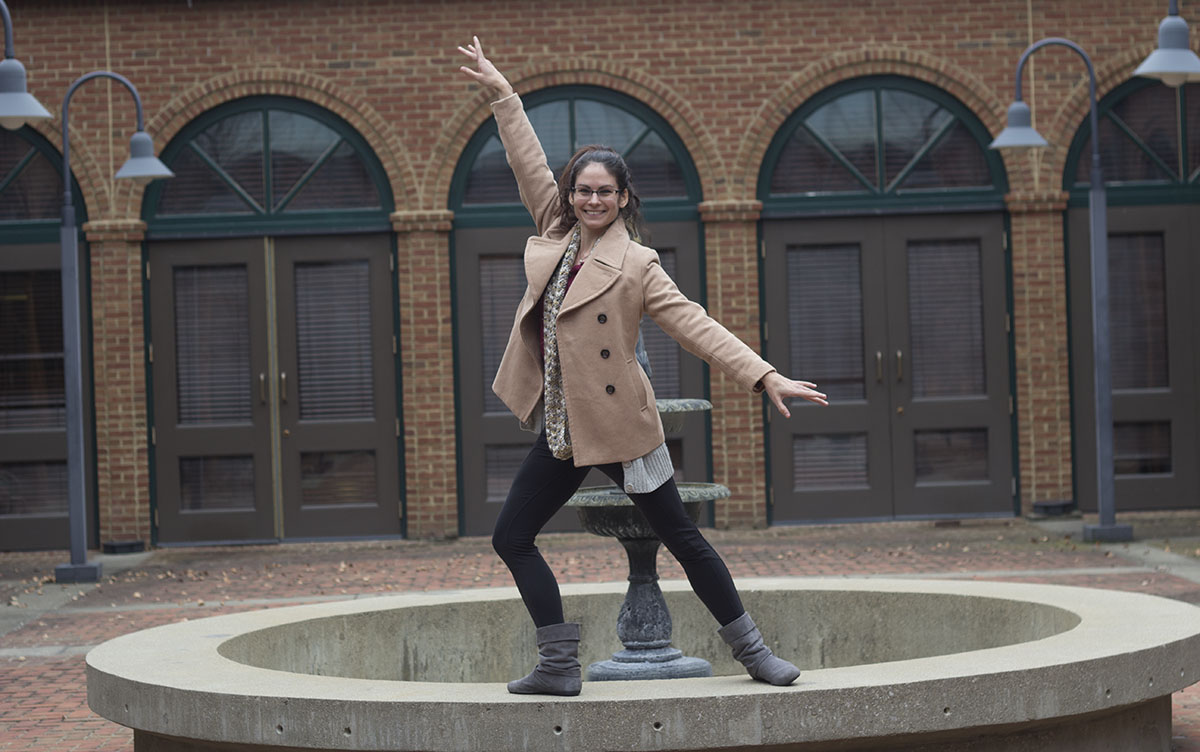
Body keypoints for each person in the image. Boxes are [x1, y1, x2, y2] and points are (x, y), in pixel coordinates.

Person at [457, 37, 828, 697]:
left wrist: (764, 374)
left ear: (624, 198)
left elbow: (694, 323)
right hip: (565, 429)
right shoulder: (555, 228)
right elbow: (527, 161)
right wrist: (502, 95)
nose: (591, 200)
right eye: (583, 191)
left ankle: (755, 653)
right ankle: (559, 665)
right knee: (511, 537)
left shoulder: (639, 263)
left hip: (623, 425)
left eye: (604, 192)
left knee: (684, 539)